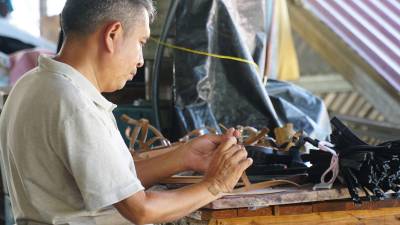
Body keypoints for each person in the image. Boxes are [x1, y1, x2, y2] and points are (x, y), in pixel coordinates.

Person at [0, 0, 253, 224]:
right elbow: (141, 210)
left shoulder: (32, 83)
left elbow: (112, 183)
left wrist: (184, 156)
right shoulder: (74, 103)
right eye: (141, 42)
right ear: (113, 34)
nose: (141, 59)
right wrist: (215, 185)